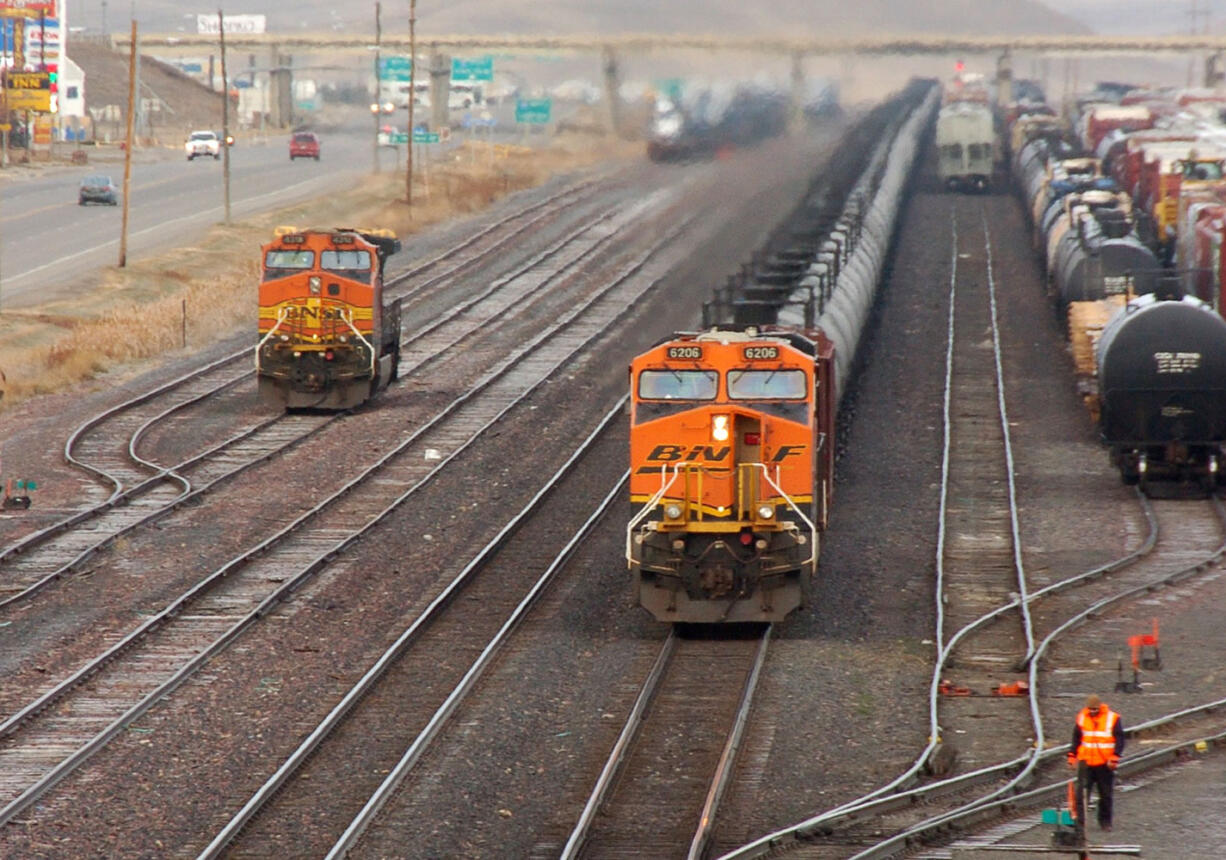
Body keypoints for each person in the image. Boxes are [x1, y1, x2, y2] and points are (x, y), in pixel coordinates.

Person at [1068, 694, 1125, 832]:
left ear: (1100, 707)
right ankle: (1080, 823)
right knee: (1081, 794)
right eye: (1090, 709)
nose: (1092, 712)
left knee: (1105, 794)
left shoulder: (1112, 718)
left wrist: (1115, 756)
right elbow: (1077, 737)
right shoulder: (1082, 717)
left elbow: (1120, 739)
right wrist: (1072, 755)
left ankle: (1105, 822)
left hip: (1104, 763)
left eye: (1095, 709)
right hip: (1086, 762)